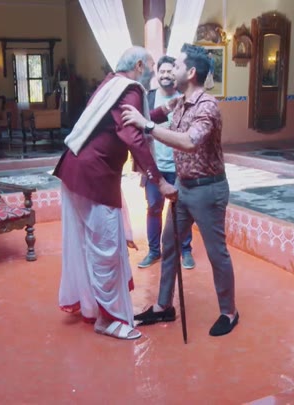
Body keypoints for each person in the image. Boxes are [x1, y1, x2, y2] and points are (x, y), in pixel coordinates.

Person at [54, 46, 177, 341]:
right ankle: (107, 320)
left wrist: (165, 110)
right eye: (150, 69)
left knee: (93, 243)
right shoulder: (130, 89)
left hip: (76, 171)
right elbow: (133, 135)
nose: (152, 77)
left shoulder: (112, 82)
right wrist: (159, 180)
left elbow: (130, 120)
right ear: (139, 66)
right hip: (94, 178)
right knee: (106, 247)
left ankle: (96, 306)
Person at [121, 43, 239, 337]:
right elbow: (161, 118)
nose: (171, 70)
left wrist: (147, 126)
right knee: (170, 245)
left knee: (216, 253)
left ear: (192, 71)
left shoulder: (207, 105)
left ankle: (229, 312)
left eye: (177, 65)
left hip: (208, 190)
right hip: (183, 187)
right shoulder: (180, 103)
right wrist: (150, 117)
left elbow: (189, 141)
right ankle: (164, 306)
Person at [138, 55, 195, 270]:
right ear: (157, 74)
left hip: (180, 167)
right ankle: (154, 251)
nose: (166, 75)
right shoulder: (149, 98)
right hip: (155, 167)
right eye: (162, 71)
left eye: (170, 71)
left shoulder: (185, 98)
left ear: (176, 74)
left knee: (182, 210)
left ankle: (185, 250)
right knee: (154, 208)